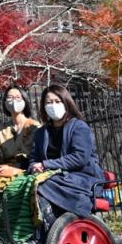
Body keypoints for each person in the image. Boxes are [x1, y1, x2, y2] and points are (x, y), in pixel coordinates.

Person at [28, 84, 104, 228]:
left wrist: (46, 165)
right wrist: (33, 167)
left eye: (57, 101)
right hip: (52, 177)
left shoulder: (79, 127)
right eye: (48, 102)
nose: (53, 105)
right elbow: (34, 158)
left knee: (43, 185)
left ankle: (50, 225)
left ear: (66, 102)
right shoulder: (41, 132)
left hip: (81, 177)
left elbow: (80, 157)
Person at [0, 85, 40, 184]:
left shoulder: (33, 126)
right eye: (10, 97)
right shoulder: (1, 128)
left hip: (27, 171)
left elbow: (31, 155)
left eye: (18, 97)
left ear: (25, 101)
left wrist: (12, 168)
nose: (14, 101)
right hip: (2, 171)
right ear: (5, 102)